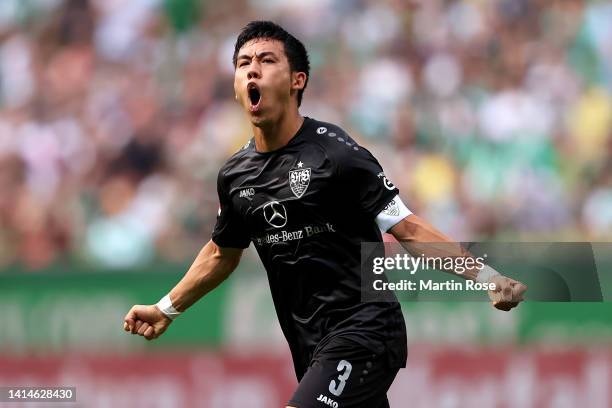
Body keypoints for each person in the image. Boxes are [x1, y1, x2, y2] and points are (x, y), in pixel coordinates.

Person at [123, 21, 527, 408]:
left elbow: (407, 226)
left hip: (365, 329)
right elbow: (221, 253)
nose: (252, 71)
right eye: (243, 64)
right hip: (310, 346)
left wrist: (486, 277)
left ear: (297, 80)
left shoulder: (336, 155)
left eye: (266, 61)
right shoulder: (234, 175)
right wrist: (165, 308)